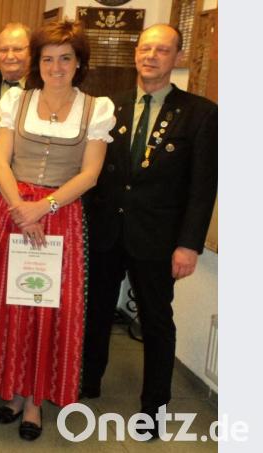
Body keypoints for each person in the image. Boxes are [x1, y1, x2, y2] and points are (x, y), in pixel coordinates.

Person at [0, 21, 115, 441]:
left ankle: (34, 401)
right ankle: (11, 390)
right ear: (38, 62)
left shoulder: (95, 108)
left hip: (61, 215)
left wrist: (43, 206)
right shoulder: (17, 100)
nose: (56, 66)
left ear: (78, 62)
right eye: (48, 58)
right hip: (14, 212)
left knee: (47, 305)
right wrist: (19, 208)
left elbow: (90, 174)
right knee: (12, 304)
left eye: (65, 58)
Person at [81, 24, 218, 439]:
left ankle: (153, 407)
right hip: (107, 231)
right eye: (145, 48)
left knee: (157, 322)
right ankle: (88, 382)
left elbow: (202, 188)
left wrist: (189, 245)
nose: (151, 56)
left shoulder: (200, 112)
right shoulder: (110, 107)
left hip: (157, 239)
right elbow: (95, 173)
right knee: (97, 312)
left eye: (163, 50)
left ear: (177, 57)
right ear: (135, 54)